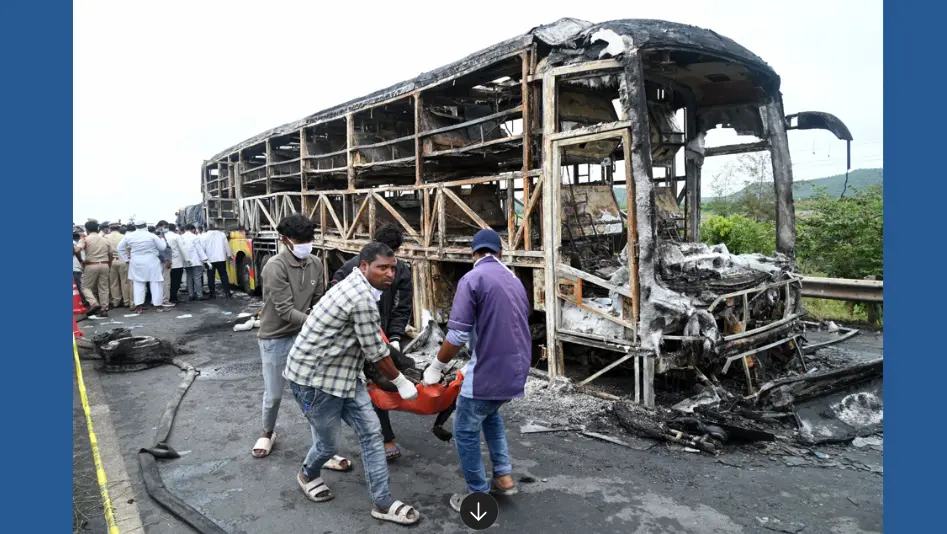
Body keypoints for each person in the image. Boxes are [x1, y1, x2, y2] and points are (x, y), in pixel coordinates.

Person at [283, 242, 421, 526]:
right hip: (314, 379)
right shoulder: (360, 297)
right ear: (364, 267)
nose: (389, 274)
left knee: (372, 434)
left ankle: (382, 503)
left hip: (345, 374)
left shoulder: (362, 288)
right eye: (382, 267)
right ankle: (307, 475)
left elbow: (372, 344)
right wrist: (401, 380)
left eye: (393, 268)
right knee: (328, 443)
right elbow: (376, 352)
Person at [422, 228, 531, 512]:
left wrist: (436, 366)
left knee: (465, 429)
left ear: (473, 253)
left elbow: (457, 336)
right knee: (490, 415)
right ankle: (504, 477)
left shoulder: (472, 279)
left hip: (489, 371)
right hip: (517, 367)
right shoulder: (514, 279)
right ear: (500, 253)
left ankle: (477, 496)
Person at [251, 215, 348, 474]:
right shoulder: (275, 266)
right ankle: (267, 431)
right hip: (275, 336)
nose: (306, 245)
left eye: (309, 240)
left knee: (316, 395)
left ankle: (324, 448)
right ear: (285, 240)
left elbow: (318, 299)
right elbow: (284, 310)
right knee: (273, 394)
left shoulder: (316, 263)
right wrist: (319, 323)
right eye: (300, 240)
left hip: (306, 335)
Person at [331, 224, 414, 460]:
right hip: (351, 336)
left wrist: (395, 337)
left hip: (382, 334)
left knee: (375, 382)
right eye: (382, 265)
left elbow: (403, 306)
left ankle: (382, 436)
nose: (388, 271)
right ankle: (377, 438)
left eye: (392, 260)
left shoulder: (401, 271)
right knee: (345, 387)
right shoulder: (349, 269)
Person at [117, 221, 170, 314]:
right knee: (156, 283)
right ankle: (158, 306)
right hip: (152, 261)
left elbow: (119, 248)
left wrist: (125, 259)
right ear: (145, 226)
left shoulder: (129, 236)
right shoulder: (151, 235)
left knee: (138, 284)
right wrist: (161, 238)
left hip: (136, 262)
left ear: (136, 227)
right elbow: (162, 248)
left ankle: (139, 307)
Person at [75, 220, 113, 316]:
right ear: (97, 228)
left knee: (85, 287)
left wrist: (81, 261)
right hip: (105, 264)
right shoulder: (105, 239)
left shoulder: (85, 239)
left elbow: (77, 250)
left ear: (87, 229)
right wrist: (109, 264)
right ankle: (104, 309)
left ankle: (94, 303)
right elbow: (110, 254)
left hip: (91, 265)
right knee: (103, 288)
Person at [202, 225, 233, 299]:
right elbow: (227, 246)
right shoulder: (222, 234)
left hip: (209, 260)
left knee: (210, 276)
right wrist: (229, 255)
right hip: (221, 258)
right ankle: (227, 293)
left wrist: (204, 259)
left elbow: (203, 248)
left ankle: (212, 294)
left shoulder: (204, 236)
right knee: (224, 275)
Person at [106, 221, 131, 309]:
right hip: (122, 260)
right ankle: (126, 301)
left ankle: (116, 301)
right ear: (119, 228)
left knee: (113, 282)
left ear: (110, 228)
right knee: (125, 282)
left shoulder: (105, 237)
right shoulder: (124, 237)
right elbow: (128, 250)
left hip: (111, 261)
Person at [181, 224, 209, 301]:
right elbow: (199, 249)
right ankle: (199, 295)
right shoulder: (194, 237)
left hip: (186, 261)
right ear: (193, 230)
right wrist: (205, 259)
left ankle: (191, 295)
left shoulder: (181, 237)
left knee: (189, 277)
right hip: (196, 261)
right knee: (197, 278)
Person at [165, 223, 190, 303]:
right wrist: (187, 259)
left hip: (167, 262)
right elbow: (182, 249)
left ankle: (167, 296)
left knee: (168, 281)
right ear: (175, 229)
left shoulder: (164, 236)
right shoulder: (176, 236)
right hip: (177, 262)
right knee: (176, 280)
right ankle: (173, 296)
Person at [155, 221, 174, 306]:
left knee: (161, 281)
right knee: (165, 281)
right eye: (165, 227)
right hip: (163, 261)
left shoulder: (161, 235)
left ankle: (159, 299)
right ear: (160, 227)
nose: (166, 229)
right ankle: (165, 300)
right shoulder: (159, 236)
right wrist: (166, 260)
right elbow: (161, 250)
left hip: (161, 261)